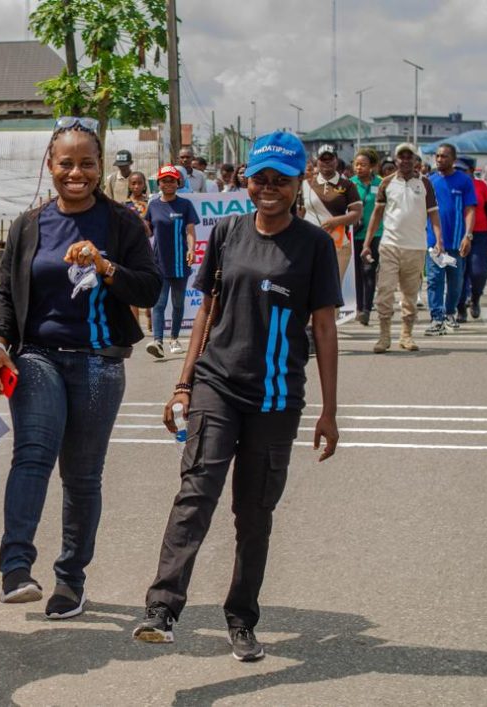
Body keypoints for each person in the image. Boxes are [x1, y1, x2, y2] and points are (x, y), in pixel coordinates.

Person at [132, 131, 340, 662]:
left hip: (276, 399)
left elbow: (323, 327)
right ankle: (162, 609)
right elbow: (206, 309)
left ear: (298, 184)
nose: (269, 188)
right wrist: (183, 384)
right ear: (247, 180)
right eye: (260, 178)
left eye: (281, 180)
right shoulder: (227, 231)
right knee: (195, 494)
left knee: (254, 514)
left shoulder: (314, 245)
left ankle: (242, 619)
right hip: (217, 386)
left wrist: (330, 411)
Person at [0, 116, 160, 620]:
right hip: (37, 356)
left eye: (87, 163)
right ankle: (16, 568)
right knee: (33, 454)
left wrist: (105, 267)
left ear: (100, 166)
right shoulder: (29, 225)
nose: (76, 173)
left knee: (82, 476)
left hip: (99, 363)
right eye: (66, 163)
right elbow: (5, 294)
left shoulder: (122, 223)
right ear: (51, 164)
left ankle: (70, 579)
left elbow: (149, 288)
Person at [362, 143, 441, 353]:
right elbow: (376, 215)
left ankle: (406, 335)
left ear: (415, 160)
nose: (405, 161)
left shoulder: (425, 183)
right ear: (395, 160)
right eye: (401, 157)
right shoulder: (387, 183)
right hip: (390, 245)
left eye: (409, 157)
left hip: (416, 247)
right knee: (385, 291)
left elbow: (433, 213)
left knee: (410, 295)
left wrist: (438, 240)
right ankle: (384, 336)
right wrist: (367, 243)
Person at [144, 165, 198, 357]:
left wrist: (191, 249)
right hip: (159, 263)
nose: (168, 184)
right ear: (158, 183)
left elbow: (190, 231)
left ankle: (174, 339)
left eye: (172, 180)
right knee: (159, 304)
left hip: (180, 263)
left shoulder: (185, 205)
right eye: (164, 180)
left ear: (178, 183)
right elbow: (147, 231)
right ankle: (158, 341)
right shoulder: (153, 205)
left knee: (178, 304)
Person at [424, 143, 476, 335]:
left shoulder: (464, 181)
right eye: (437, 156)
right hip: (435, 243)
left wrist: (467, 235)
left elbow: (470, 209)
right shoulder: (430, 181)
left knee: (455, 282)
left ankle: (449, 313)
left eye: (444, 156)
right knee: (434, 280)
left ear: (453, 159)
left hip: (455, 244)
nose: (439, 159)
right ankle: (436, 317)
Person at [300, 144, 362, 285]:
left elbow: (357, 213)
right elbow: (300, 214)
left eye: (330, 159)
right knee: (310, 287)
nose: (327, 162)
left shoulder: (347, 185)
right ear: (317, 162)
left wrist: (336, 221)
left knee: (331, 288)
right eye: (323, 159)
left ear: (336, 161)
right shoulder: (306, 184)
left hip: (338, 246)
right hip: (310, 245)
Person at [455, 155, 487, 321]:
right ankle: (460, 308)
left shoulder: (480, 186)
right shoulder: (452, 185)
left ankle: (475, 298)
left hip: (480, 235)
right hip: (457, 235)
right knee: (459, 273)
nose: (459, 173)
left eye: (462, 170)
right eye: (456, 169)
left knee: (478, 271)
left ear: (471, 171)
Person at [349, 150, 383, 325]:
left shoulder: (381, 183)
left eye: (363, 165)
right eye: (356, 164)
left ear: (372, 167)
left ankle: (367, 309)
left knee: (369, 270)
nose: (359, 168)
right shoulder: (350, 184)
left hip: (376, 234)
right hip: (355, 234)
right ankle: (358, 308)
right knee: (356, 272)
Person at [125, 171, 154, 332]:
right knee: (132, 288)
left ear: (144, 185)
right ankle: (135, 326)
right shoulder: (124, 206)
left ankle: (150, 316)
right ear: (129, 185)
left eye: (139, 183)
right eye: (133, 183)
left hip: (149, 249)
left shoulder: (152, 203)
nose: (136, 186)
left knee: (149, 284)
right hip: (130, 251)